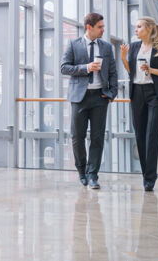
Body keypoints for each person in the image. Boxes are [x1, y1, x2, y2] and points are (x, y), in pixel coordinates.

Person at [61, 13, 117, 189]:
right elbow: (64, 67)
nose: (103, 29)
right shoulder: (73, 44)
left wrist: (111, 94)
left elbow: (114, 72)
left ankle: (93, 175)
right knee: (77, 136)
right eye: (100, 27)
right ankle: (81, 172)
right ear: (89, 27)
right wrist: (86, 68)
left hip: (100, 97)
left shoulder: (107, 47)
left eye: (103, 26)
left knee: (97, 137)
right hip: (79, 97)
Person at [120, 17, 158, 191]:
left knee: (152, 136)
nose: (136, 30)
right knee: (140, 136)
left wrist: (151, 70)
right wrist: (123, 58)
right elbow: (132, 71)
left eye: (139, 27)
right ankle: (146, 175)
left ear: (149, 29)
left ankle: (150, 179)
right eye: (135, 27)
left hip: (155, 94)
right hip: (137, 94)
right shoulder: (134, 47)